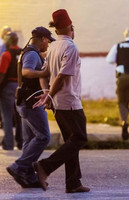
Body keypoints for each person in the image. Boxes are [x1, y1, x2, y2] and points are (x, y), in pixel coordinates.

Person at [32, 9, 90, 193]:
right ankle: (45, 166)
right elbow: (63, 76)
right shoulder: (70, 47)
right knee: (80, 138)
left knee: (70, 141)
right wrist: (48, 95)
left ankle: (73, 182)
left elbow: (44, 73)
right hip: (69, 101)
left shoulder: (54, 47)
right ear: (71, 27)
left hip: (57, 102)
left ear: (56, 30)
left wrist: (47, 92)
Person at [6, 26, 54, 188]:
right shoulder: (32, 54)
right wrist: (44, 73)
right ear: (43, 39)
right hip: (31, 101)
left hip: (23, 100)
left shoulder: (27, 51)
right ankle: (19, 166)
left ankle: (26, 175)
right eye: (48, 41)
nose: (48, 45)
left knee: (29, 139)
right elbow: (27, 72)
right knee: (43, 136)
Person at [0, 32, 22, 150]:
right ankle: (21, 143)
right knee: (20, 116)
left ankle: (8, 144)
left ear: (9, 41)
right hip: (20, 87)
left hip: (7, 87)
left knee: (7, 116)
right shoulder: (23, 53)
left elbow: (1, 74)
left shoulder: (6, 55)